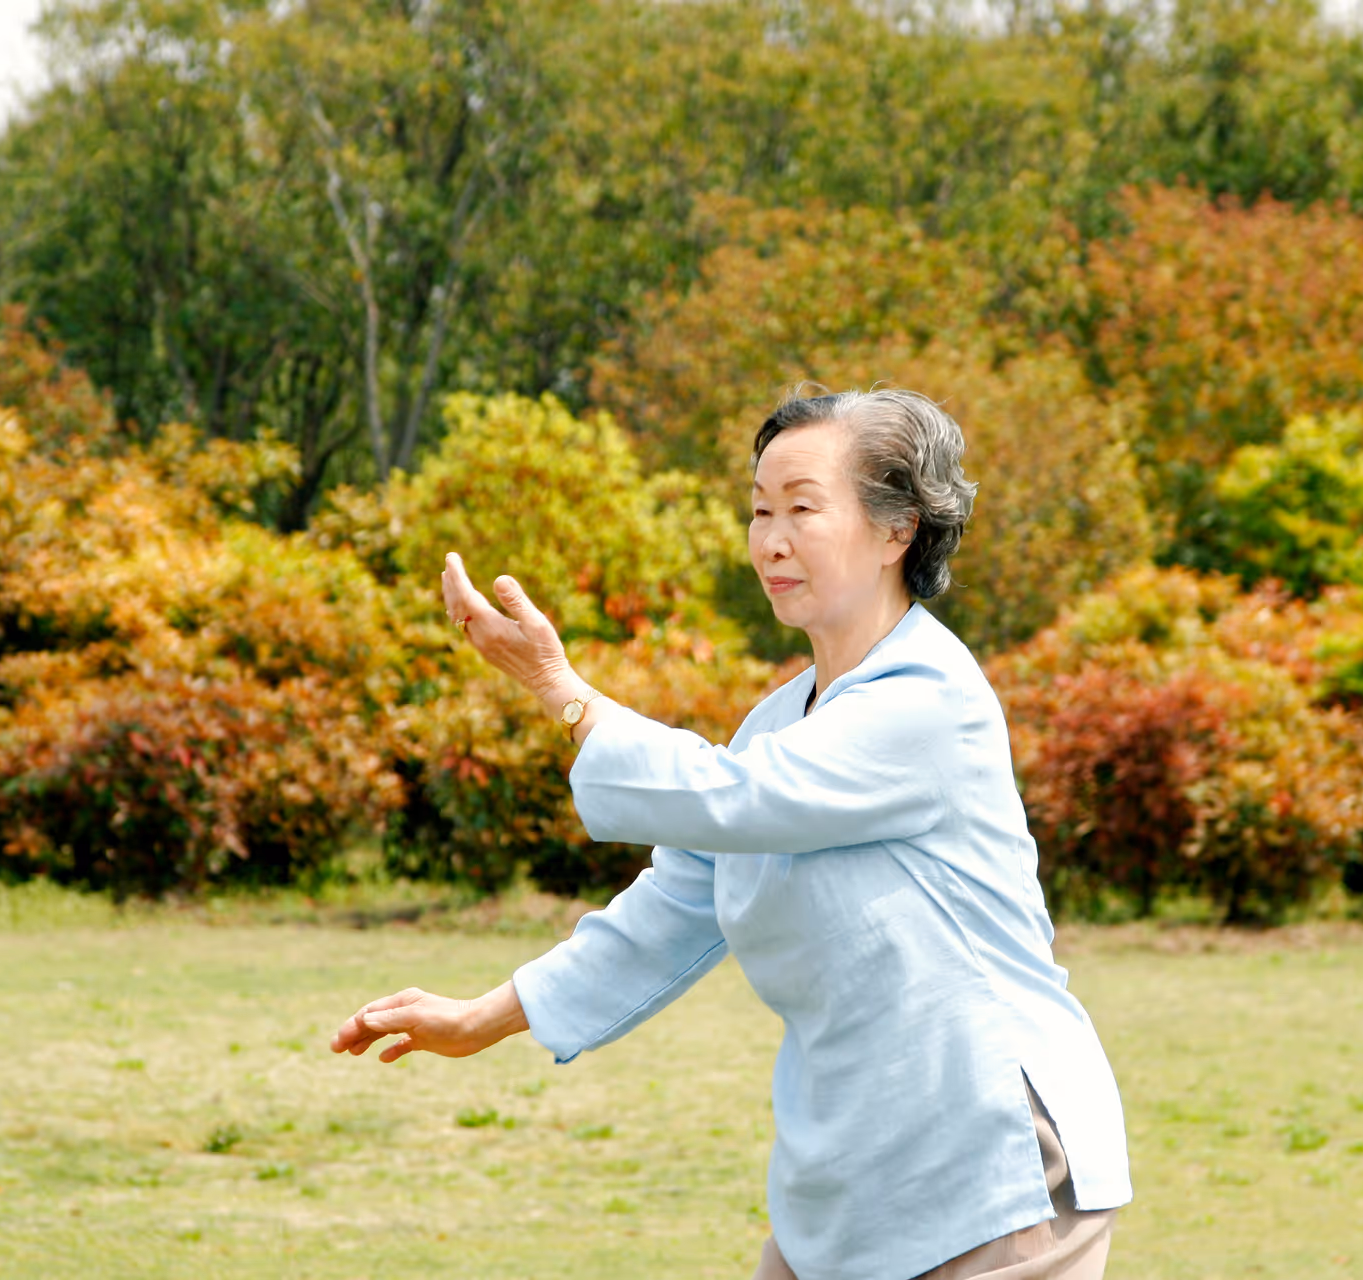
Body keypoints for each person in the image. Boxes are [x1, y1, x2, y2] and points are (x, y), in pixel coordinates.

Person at [330, 388, 1133, 1280]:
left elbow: (735, 797)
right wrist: (485, 1016)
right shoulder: (781, 719)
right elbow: (677, 903)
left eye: (801, 507)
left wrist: (565, 693)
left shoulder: (928, 698)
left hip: (994, 1161)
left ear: (897, 529)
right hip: (847, 1177)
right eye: (758, 509)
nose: (770, 538)